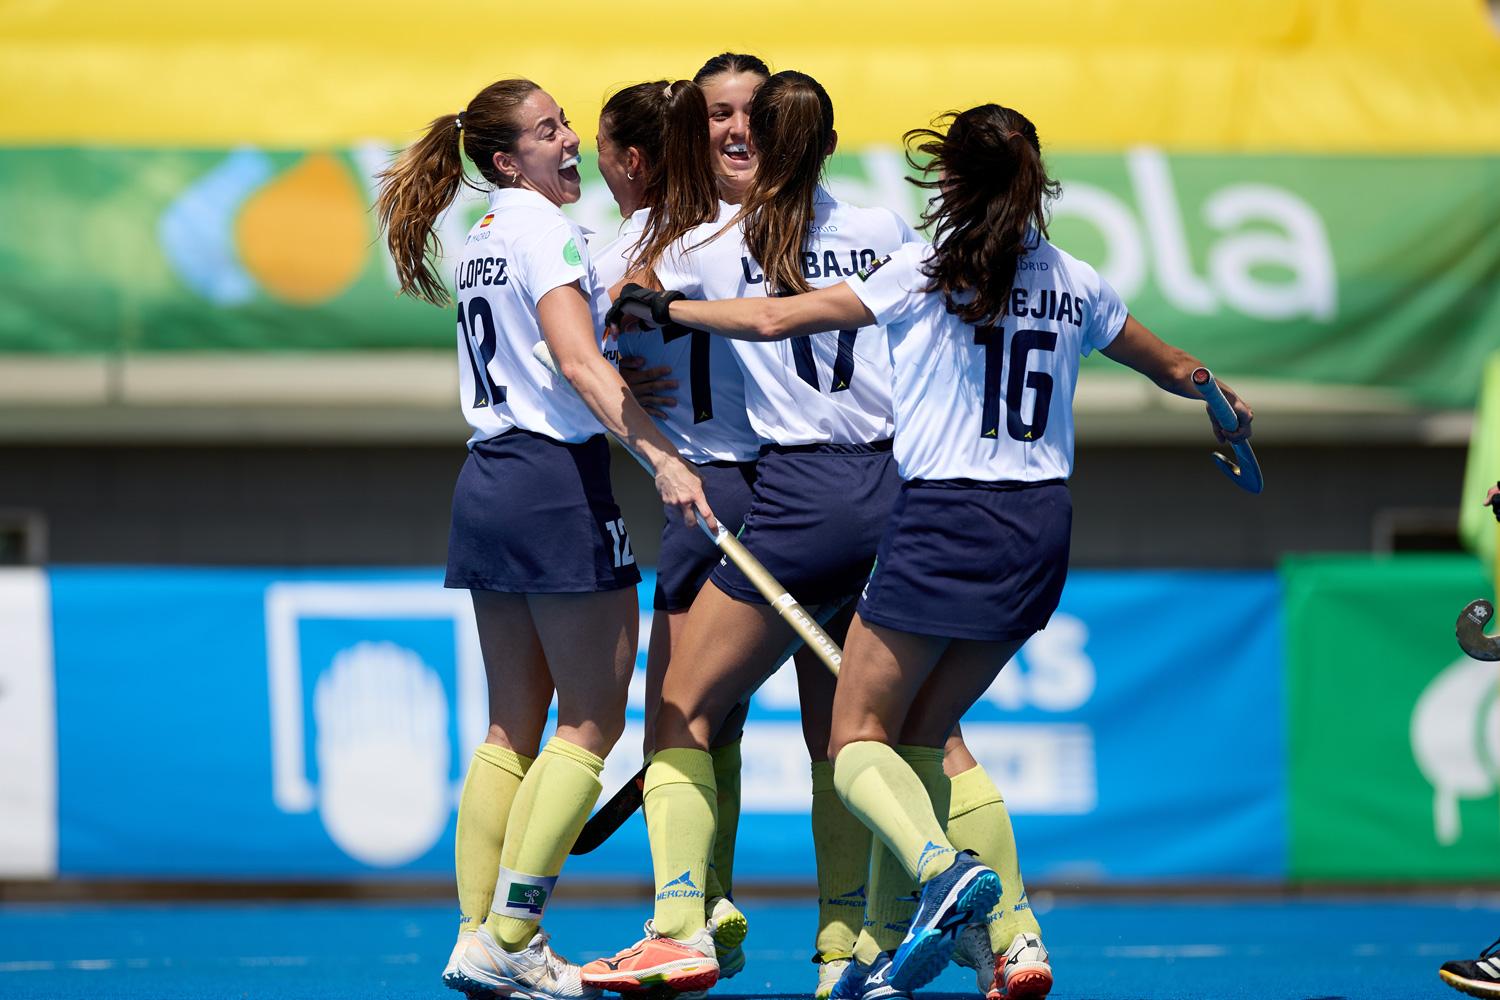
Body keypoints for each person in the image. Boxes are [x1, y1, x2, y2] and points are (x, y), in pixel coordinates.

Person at [605, 101, 1255, 998]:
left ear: (949, 179)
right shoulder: (1077, 279)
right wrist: (1223, 407)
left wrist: (669, 305)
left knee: (853, 736)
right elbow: (1178, 366)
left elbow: (774, 322)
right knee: (927, 734)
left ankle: (937, 875)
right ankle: (990, 943)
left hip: (943, 518)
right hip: (1042, 531)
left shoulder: (924, 271)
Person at [374, 77, 714, 1000]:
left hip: (487, 481)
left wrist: (613, 367)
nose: (569, 141)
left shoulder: (485, 235)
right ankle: (513, 931)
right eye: (548, 130)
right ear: (505, 159)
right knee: (592, 721)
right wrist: (660, 456)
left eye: (566, 125)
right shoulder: (543, 230)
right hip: (553, 486)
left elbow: (570, 351)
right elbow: (572, 360)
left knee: (509, 728)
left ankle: (476, 937)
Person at [591, 74, 759, 978]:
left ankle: (683, 914)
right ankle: (805, 922)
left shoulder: (628, 247)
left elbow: (570, 365)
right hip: (789, 486)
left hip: (700, 491)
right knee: (729, 718)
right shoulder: (740, 234)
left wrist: (616, 373)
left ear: (630, 160)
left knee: (676, 718)